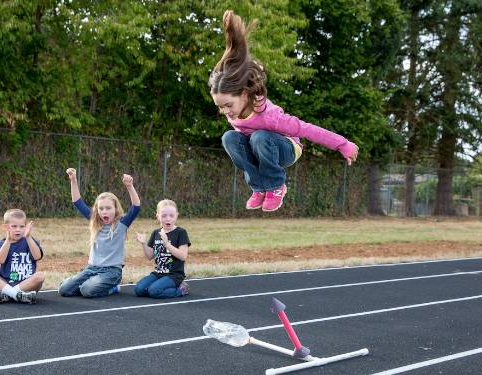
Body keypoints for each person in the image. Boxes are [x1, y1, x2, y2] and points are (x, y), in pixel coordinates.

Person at [209, 10, 359, 212]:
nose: (225, 111)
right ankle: (259, 188)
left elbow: (307, 130)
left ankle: (276, 186)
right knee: (229, 138)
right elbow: (241, 143)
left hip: (287, 148)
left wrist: (343, 144)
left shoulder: (270, 116)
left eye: (228, 105)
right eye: (220, 106)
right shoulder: (234, 113)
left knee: (259, 137)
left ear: (245, 94)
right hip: (260, 149)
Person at [58, 169, 141, 298]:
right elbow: (77, 202)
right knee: (64, 290)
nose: (104, 212)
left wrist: (129, 186)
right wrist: (73, 180)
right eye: (101, 209)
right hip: (92, 268)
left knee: (86, 290)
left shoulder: (122, 223)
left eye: (108, 208)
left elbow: (136, 207)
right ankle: (87, 282)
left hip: (112, 271)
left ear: (115, 209)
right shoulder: (95, 222)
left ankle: (112, 287)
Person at [0, 209, 44, 304]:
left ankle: (8, 295)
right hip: (4, 284)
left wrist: (28, 237)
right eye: (14, 226)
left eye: (22, 226)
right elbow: (0, 260)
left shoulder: (30, 241)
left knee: (40, 276)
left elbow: (37, 257)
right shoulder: (2, 243)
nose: (18, 229)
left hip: (26, 284)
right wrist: (8, 241)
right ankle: (17, 295)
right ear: (6, 227)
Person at [134, 199, 191, 299]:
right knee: (139, 289)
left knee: (154, 291)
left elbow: (183, 256)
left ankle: (181, 289)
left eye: (171, 215)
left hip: (174, 275)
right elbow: (150, 256)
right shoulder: (156, 233)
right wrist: (143, 244)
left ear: (176, 215)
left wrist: (167, 244)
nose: (168, 219)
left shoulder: (181, 232)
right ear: (158, 216)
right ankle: (158, 288)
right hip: (158, 273)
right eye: (164, 216)